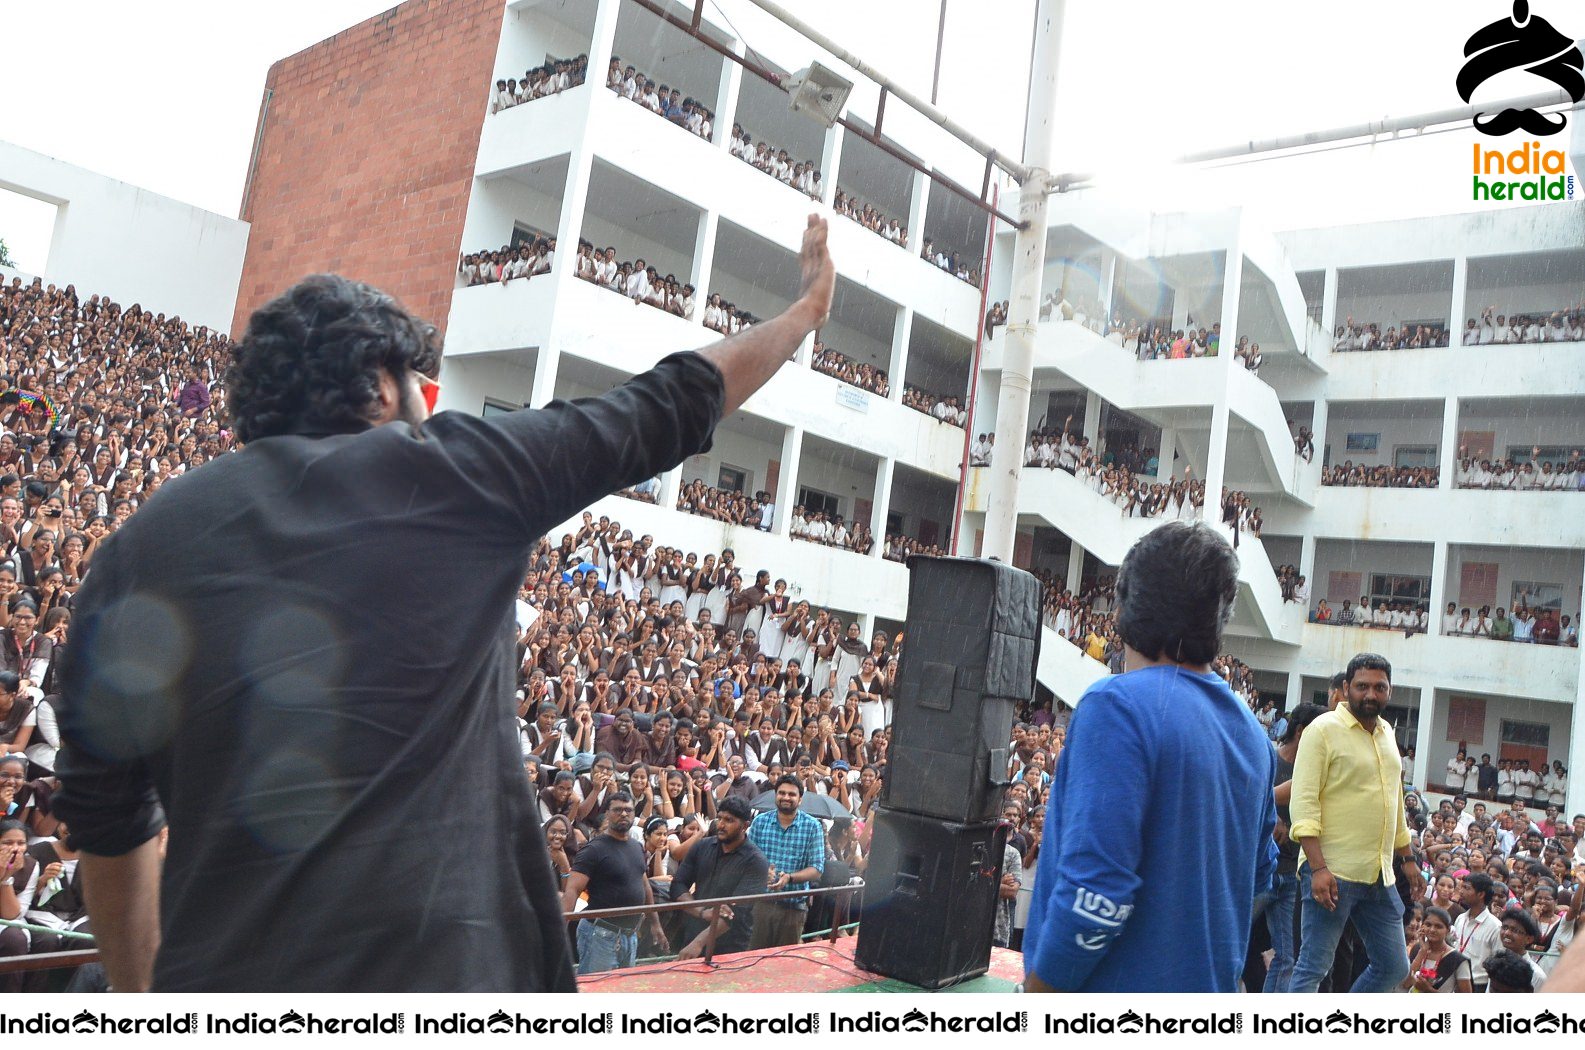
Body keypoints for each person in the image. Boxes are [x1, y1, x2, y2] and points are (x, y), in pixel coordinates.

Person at [52, 218, 837, 991]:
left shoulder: (137, 550)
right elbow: (668, 403)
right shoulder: (455, 474)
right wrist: (802, 313)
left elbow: (107, 819)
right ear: (384, 385)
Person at [1024, 521, 1278, 992]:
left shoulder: (1116, 707)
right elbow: (1261, 876)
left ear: (1126, 607)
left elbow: (1095, 894)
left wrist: (1037, 997)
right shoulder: (1253, 737)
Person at [1288, 652, 1426, 993]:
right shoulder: (1322, 730)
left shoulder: (1386, 733)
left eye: (1379, 687)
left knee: (1394, 966)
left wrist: (1407, 857)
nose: (1371, 694)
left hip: (1380, 874)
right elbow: (1303, 802)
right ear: (1347, 687)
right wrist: (1317, 868)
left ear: (1389, 691)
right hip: (1332, 871)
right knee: (1313, 969)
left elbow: (1394, 799)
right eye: (1362, 686)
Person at [562, 792, 665, 973]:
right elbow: (572, 889)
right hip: (600, 934)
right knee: (597, 991)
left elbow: (644, 885)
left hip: (630, 934)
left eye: (628, 810)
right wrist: (559, 930)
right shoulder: (593, 850)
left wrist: (655, 923)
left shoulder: (636, 846)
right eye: (618, 810)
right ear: (608, 813)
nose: (624, 814)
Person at [669, 795, 770, 959]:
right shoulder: (702, 846)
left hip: (731, 945)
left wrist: (699, 943)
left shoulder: (756, 861)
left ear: (745, 826)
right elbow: (678, 885)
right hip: (692, 932)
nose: (721, 825)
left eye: (729, 820)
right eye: (719, 818)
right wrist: (701, 912)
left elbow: (736, 912)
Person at [746, 774, 825, 948]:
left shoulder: (812, 826)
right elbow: (747, 859)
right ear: (776, 795)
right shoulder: (760, 822)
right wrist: (761, 872)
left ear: (800, 799)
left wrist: (789, 877)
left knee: (783, 963)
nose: (786, 797)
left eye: (791, 794)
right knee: (753, 957)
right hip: (761, 905)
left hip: (793, 907)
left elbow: (817, 868)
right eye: (781, 793)